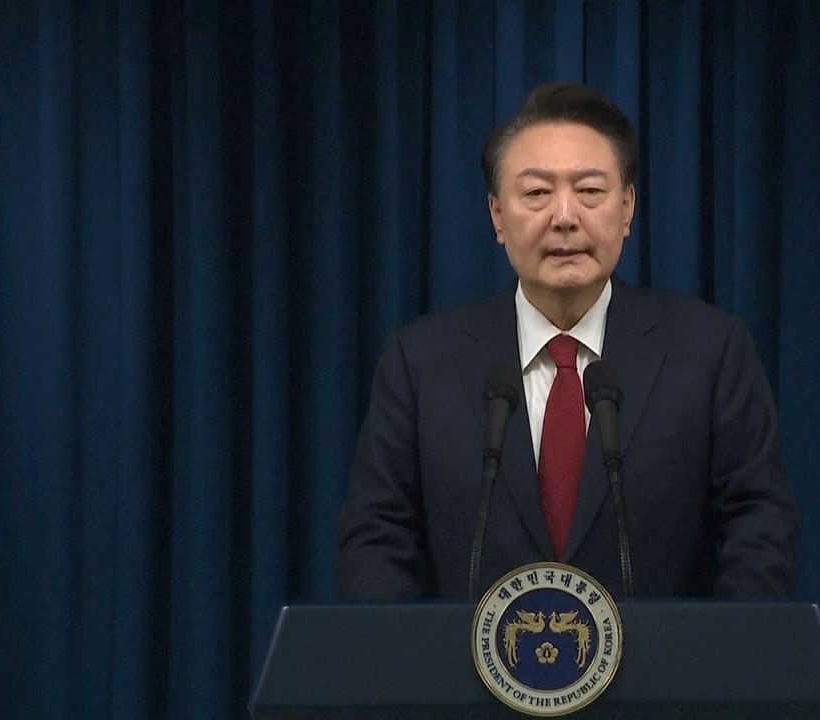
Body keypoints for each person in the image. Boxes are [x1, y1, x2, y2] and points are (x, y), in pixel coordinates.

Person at [336, 83, 796, 601]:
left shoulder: (708, 351)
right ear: (497, 215)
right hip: (465, 657)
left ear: (627, 208)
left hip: (665, 657)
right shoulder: (422, 361)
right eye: (536, 193)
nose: (564, 217)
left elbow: (759, 525)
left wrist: (720, 648)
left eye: (590, 191)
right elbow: (376, 537)